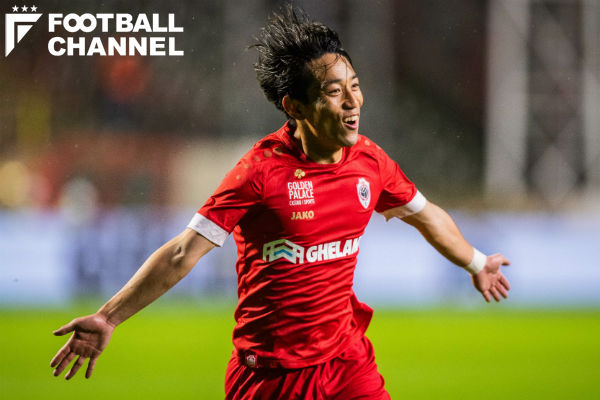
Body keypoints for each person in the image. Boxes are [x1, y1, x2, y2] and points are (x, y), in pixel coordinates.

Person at [50, 6, 511, 399]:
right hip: (270, 377)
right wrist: (108, 317)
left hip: (347, 363)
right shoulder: (260, 173)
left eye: (354, 85)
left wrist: (476, 262)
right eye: (334, 92)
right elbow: (181, 253)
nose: (353, 101)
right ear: (295, 106)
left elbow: (426, 215)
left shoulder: (370, 162)